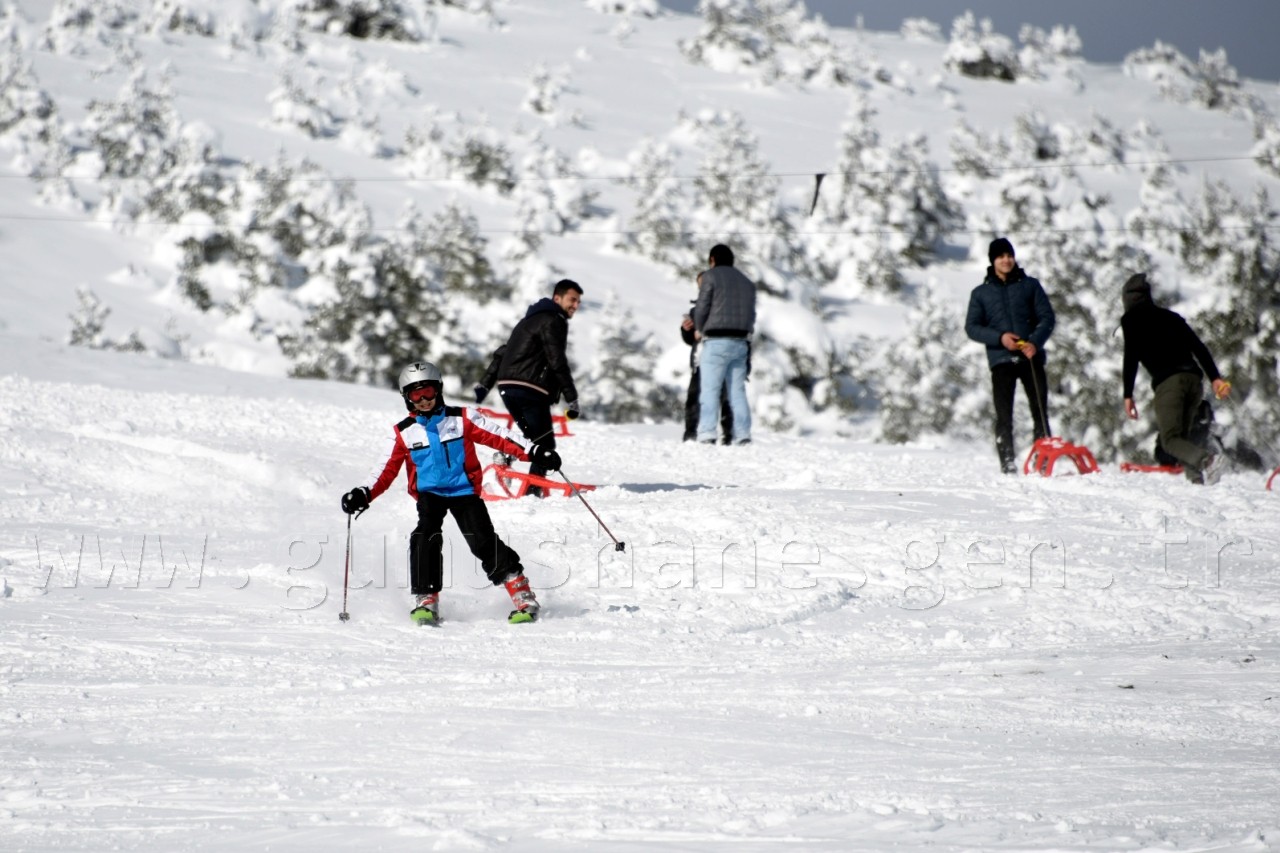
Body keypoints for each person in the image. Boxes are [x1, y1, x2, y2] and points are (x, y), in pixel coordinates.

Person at [339, 361, 562, 625]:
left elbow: (500, 436)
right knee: (425, 535)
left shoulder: (462, 418)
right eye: (415, 395)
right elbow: (384, 470)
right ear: (406, 398)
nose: (423, 400)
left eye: (428, 392)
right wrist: (363, 493)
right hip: (430, 494)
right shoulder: (403, 432)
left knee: (482, 540)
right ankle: (426, 599)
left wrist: (534, 451)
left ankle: (522, 593)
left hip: (463, 490)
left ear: (439, 390)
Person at [1121, 272, 1230, 484]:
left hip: (1169, 384)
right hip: (1193, 380)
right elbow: (1199, 348)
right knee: (1183, 438)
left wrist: (1128, 395)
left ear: (1127, 299)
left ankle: (1208, 461)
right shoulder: (1171, 317)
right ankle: (1196, 481)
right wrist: (1215, 378)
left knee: (1170, 440)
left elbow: (1130, 358)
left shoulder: (1131, 320)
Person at [964, 237, 1057, 473]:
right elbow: (972, 327)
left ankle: (1043, 461)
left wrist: (1034, 343)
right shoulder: (980, 293)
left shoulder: (1030, 286)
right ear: (992, 260)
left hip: (1030, 357)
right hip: (1001, 361)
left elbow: (1047, 318)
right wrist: (1000, 338)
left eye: (1009, 255)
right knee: (1004, 415)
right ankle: (1007, 463)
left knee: (1040, 411)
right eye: (1001, 256)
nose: (1006, 260)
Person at [490, 280, 583, 496]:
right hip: (529, 389)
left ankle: (507, 456)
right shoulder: (553, 320)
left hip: (508, 387)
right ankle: (532, 493)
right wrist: (571, 398)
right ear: (557, 298)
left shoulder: (529, 319)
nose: (575, 305)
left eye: (578, 302)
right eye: (572, 299)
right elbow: (556, 360)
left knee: (534, 438)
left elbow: (504, 351)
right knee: (545, 444)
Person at [692, 244, 755, 445]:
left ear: (712, 260)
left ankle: (707, 433)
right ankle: (743, 434)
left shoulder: (710, 277)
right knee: (737, 392)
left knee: (710, 390)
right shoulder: (746, 282)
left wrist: (700, 328)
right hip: (740, 341)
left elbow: (702, 307)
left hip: (716, 340)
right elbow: (751, 315)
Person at [681, 274, 734, 443]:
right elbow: (690, 340)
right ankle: (691, 435)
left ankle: (729, 437)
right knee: (694, 399)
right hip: (701, 360)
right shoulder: (695, 310)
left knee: (726, 400)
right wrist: (686, 330)